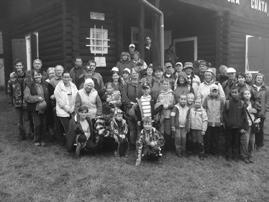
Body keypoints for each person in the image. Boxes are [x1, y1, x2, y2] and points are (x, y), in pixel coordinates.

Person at [24, 71, 50, 146]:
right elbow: (26, 97)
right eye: (36, 76)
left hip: (44, 108)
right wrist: (37, 98)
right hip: (35, 108)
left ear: (41, 76)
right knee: (37, 124)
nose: (37, 77)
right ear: (33, 77)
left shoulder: (45, 84)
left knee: (44, 124)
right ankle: (36, 140)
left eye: (39, 75)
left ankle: (43, 139)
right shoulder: (29, 85)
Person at [223, 87, 249, 161]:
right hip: (229, 127)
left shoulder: (241, 103)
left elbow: (244, 115)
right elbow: (224, 114)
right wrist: (227, 122)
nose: (234, 94)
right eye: (233, 92)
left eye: (236, 92)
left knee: (236, 142)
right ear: (230, 94)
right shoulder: (227, 102)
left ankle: (235, 156)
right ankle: (228, 155)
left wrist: (243, 126)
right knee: (228, 142)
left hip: (238, 127)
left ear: (238, 93)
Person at [54, 72, 78, 144]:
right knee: (67, 128)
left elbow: (77, 97)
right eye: (64, 77)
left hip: (73, 110)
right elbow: (59, 100)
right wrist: (67, 109)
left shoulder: (73, 86)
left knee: (73, 128)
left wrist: (72, 108)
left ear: (70, 78)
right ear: (62, 78)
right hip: (63, 111)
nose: (66, 78)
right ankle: (69, 145)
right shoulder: (58, 87)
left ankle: (73, 143)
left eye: (68, 77)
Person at [8, 61, 29, 140]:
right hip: (17, 101)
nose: (19, 67)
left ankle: (28, 133)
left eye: (20, 65)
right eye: (17, 66)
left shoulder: (27, 75)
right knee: (19, 120)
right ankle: (21, 135)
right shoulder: (12, 77)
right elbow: (10, 91)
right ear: (15, 67)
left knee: (26, 119)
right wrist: (12, 100)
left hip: (26, 101)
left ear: (22, 66)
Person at [121, 69, 143, 147]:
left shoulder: (142, 84)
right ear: (131, 75)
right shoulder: (127, 85)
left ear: (138, 74)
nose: (134, 75)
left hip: (140, 109)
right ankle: (132, 145)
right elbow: (124, 97)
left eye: (136, 73)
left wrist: (138, 104)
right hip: (129, 108)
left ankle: (139, 145)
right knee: (132, 128)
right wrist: (131, 104)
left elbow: (145, 95)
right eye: (133, 73)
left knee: (139, 128)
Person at [203, 84, 225, 156]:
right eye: (213, 91)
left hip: (217, 122)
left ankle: (215, 151)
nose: (214, 93)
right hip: (208, 121)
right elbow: (204, 107)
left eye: (216, 91)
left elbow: (222, 110)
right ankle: (207, 151)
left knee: (216, 138)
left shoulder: (221, 99)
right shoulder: (207, 98)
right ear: (210, 91)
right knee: (208, 137)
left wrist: (221, 120)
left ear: (218, 92)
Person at [154, 79, 175, 151]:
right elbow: (156, 104)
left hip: (168, 115)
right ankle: (161, 146)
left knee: (168, 131)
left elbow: (173, 105)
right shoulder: (160, 94)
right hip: (161, 115)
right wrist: (160, 104)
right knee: (161, 130)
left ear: (169, 85)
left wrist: (168, 106)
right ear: (162, 85)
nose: (165, 85)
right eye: (164, 84)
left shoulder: (171, 94)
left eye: (167, 84)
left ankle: (168, 147)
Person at [252, 73, 268, 149]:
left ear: (263, 79)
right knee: (253, 127)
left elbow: (267, 100)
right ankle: (253, 142)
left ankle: (259, 143)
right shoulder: (252, 87)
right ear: (255, 79)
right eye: (257, 77)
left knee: (260, 128)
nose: (259, 79)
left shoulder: (266, 88)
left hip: (262, 111)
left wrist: (266, 108)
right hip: (253, 110)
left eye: (260, 78)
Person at [242, 89, 258, 163]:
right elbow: (240, 116)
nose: (247, 95)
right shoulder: (241, 104)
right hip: (246, 125)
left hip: (253, 124)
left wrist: (257, 116)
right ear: (243, 95)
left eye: (248, 94)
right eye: (245, 94)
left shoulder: (253, 103)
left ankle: (250, 156)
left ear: (250, 95)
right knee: (245, 141)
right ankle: (244, 156)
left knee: (252, 142)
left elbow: (257, 113)